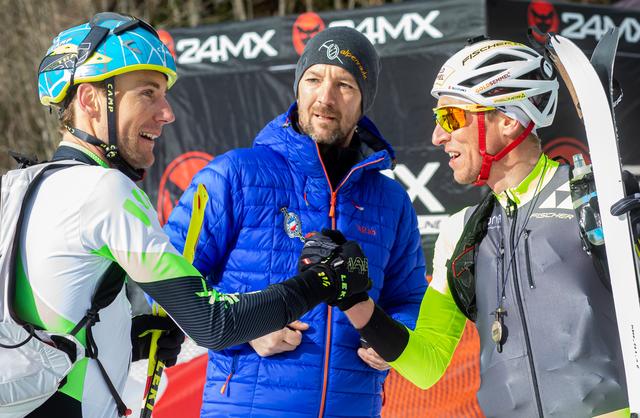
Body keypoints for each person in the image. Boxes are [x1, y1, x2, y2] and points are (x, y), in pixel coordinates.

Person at [20, 13, 371, 418]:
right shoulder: (106, 191)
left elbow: (46, 323)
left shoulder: (21, 187)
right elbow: (213, 322)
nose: (167, 112)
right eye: (148, 93)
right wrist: (323, 281)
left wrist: (127, 337)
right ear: (89, 100)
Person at [336, 39, 630, 417]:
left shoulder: (594, 197)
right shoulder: (463, 231)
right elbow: (427, 364)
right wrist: (357, 303)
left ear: (508, 119)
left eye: (450, 119)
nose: (437, 137)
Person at [164, 26, 427, 418]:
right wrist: (244, 331)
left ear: (363, 102)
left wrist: (391, 339)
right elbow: (166, 283)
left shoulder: (391, 201)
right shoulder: (233, 174)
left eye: (345, 85)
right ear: (297, 88)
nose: (325, 97)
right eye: (314, 79)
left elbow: (409, 299)